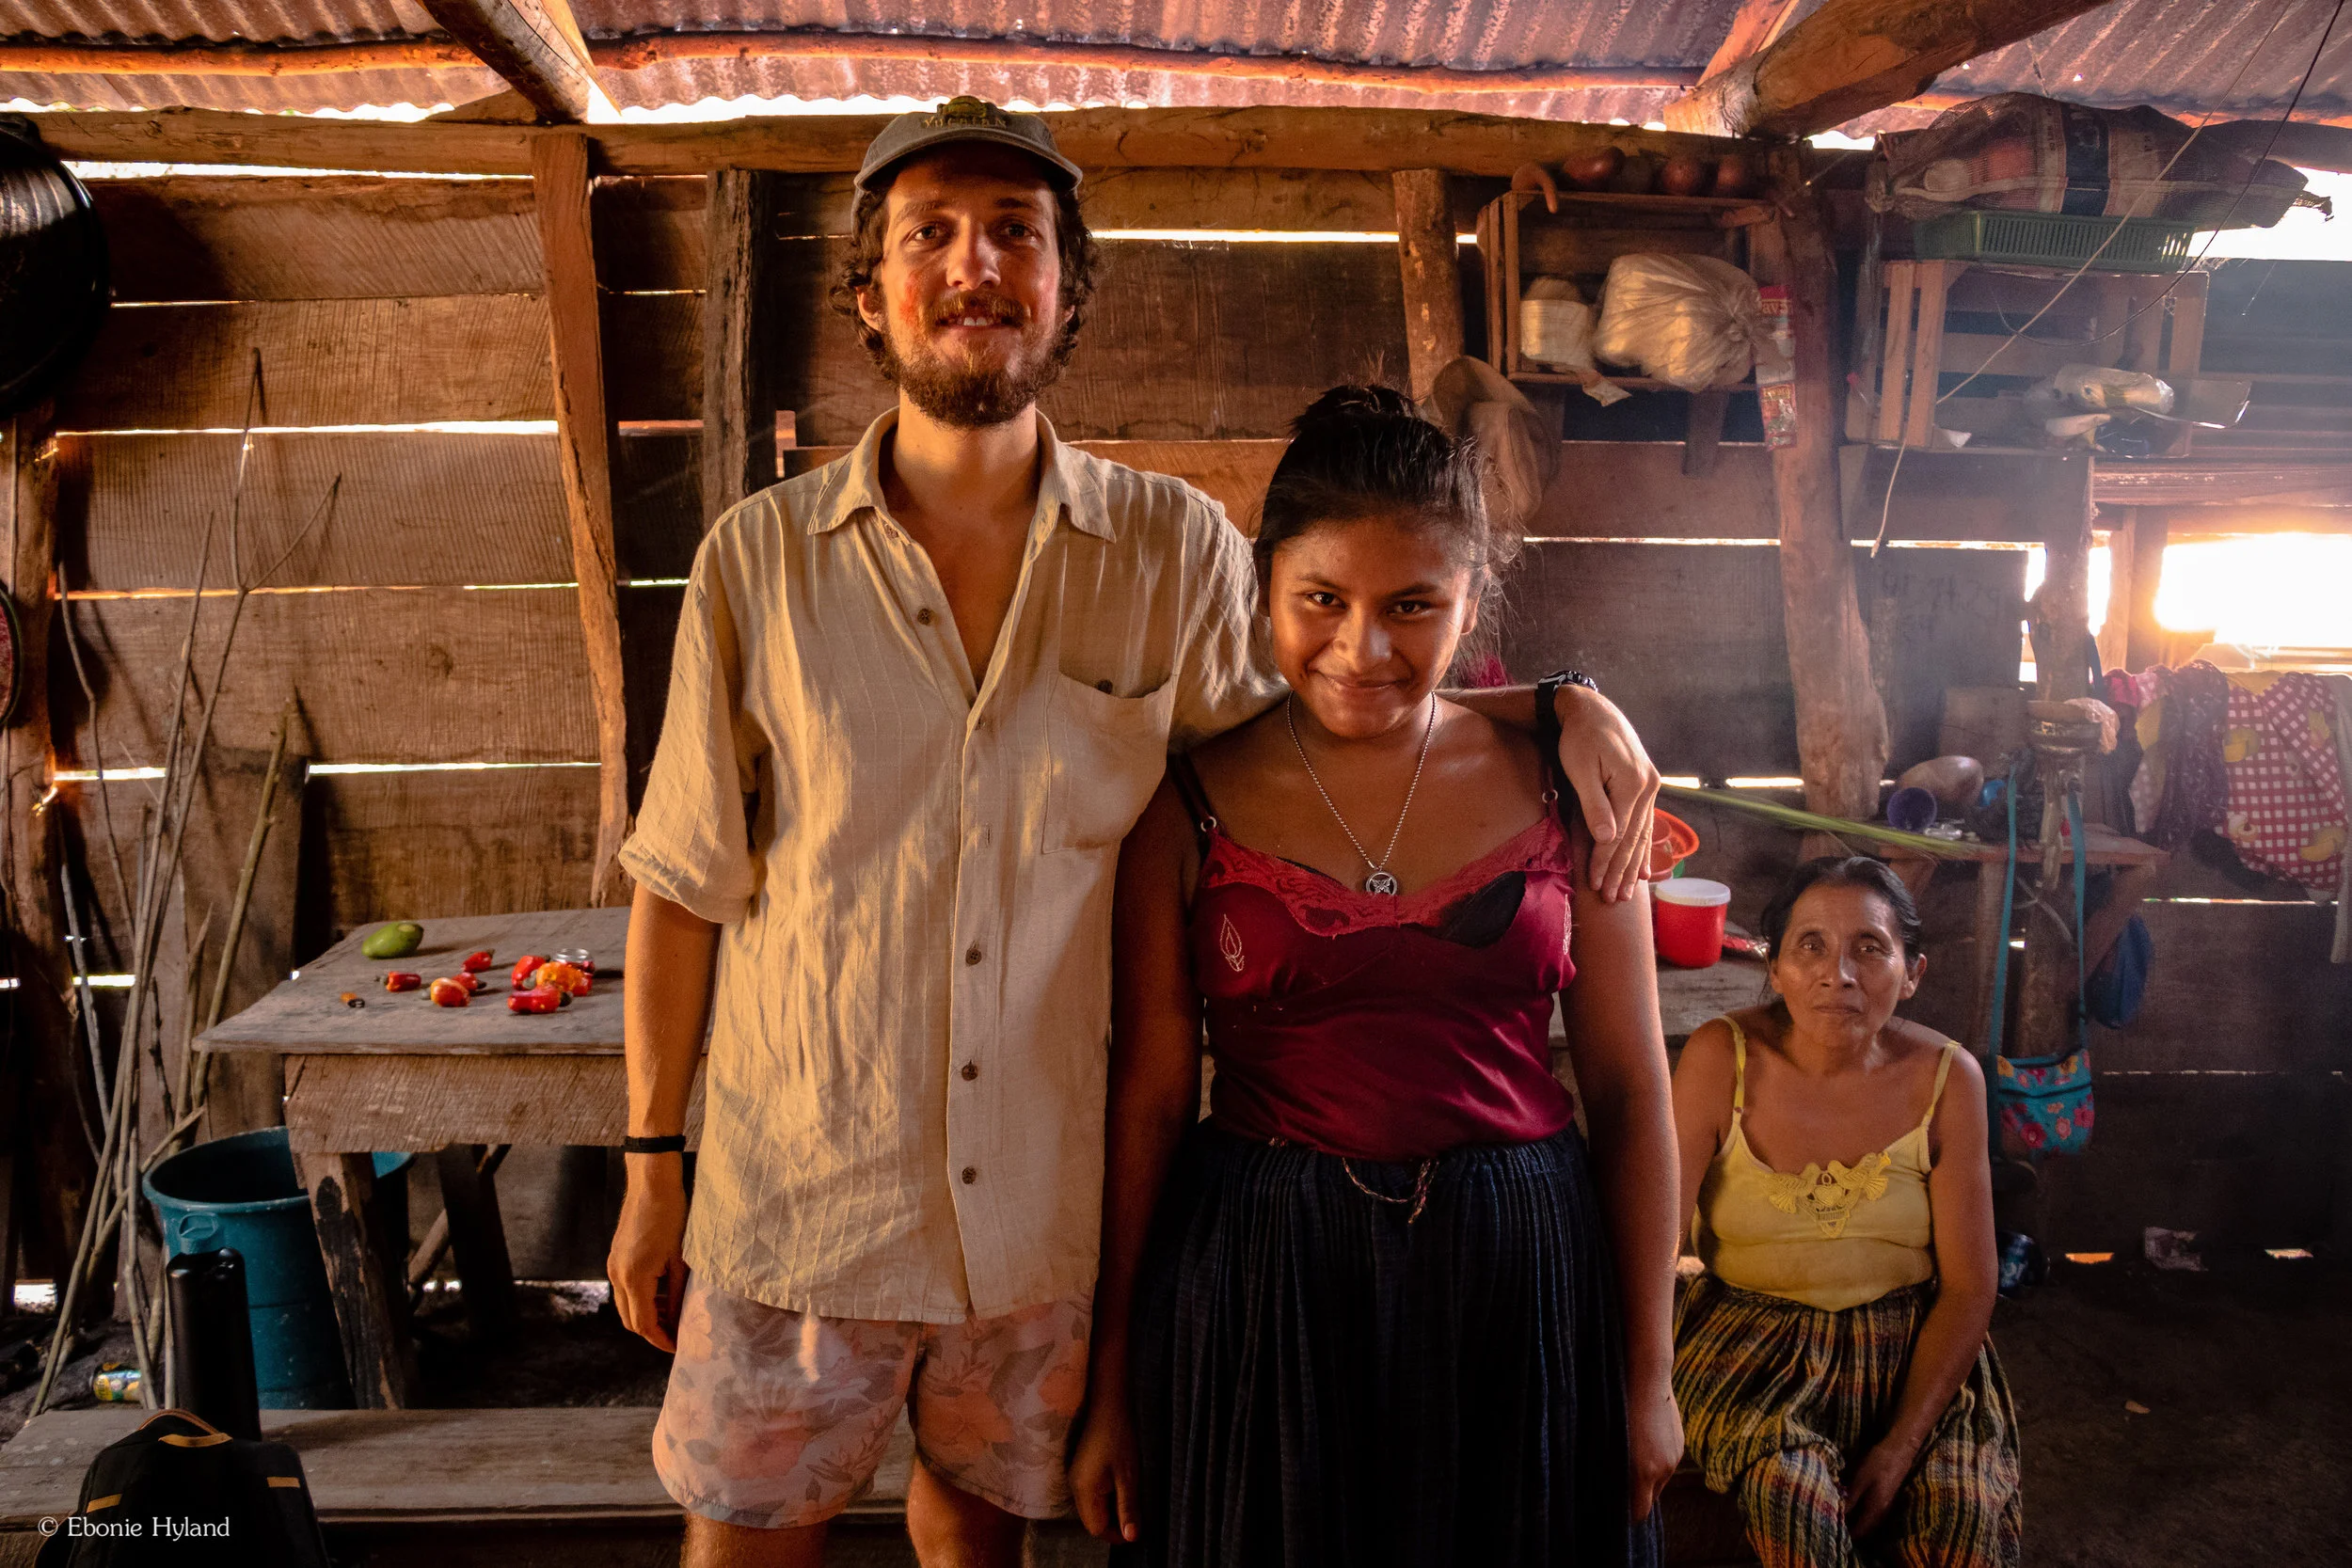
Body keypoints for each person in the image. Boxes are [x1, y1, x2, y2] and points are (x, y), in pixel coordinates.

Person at [605, 100, 1664, 1568]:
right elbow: (681, 884)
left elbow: (1342, 690)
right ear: (872, 294)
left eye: (1017, 237)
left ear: (1067, 289)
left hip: (1034, 1221)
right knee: (740, 1546)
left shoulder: (1169, 552)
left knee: (972, 1539)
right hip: (798, 1194)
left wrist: (1558, 700)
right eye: (931, 236)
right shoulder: (759, 563)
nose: (976, 266)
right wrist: (652, 1160)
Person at [1072, 387, 1682, 1566]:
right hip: (1265, 1281)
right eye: (1322, 601)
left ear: (1470, 602)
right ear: (1267, 591)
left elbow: (1631, 1088)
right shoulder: (1184, 802)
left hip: (1523, 1277)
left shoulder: (1575, 788)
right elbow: (1148, 1101)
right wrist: (1116, 1382)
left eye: (1414, 605)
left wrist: (1645, 1372)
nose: (1364, 648)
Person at [1670, 858, 2021, 1568]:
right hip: (1749, 1348)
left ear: (1912, 970)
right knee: (1791, 1503)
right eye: (1811, 946)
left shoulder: (1948, 1078)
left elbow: (1969, 1287)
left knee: (1963, 1526)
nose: (1840, 974)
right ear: (1775, 968)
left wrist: (1901, 1444)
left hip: (1913, 1350)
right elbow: (1655, 1249)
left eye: (1869, 946)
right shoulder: (1721, 1058)